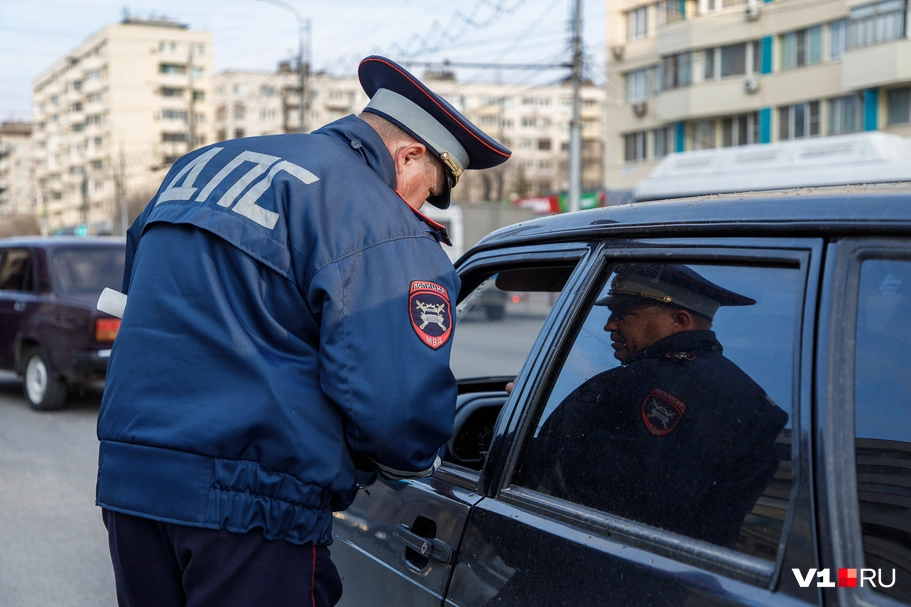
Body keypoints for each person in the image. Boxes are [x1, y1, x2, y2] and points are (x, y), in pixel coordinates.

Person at [95, 55, 510, 607]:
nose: (417, 206)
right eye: (426, 190)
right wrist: (411, 455)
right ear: (409, 155)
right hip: (253, 506)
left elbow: (139, 304)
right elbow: (396, 408)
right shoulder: (368, 210)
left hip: (131, 483)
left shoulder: (197, 168)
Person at [525, 263, 788, 549]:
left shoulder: (642, 383)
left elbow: (586, 486)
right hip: (701, 563)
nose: (608, 325)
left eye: (623, 313)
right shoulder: (750, 394)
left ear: (679, 320)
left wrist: (520, 427)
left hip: (611, 559)